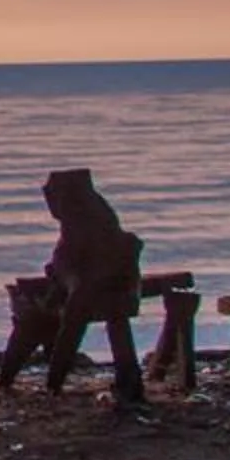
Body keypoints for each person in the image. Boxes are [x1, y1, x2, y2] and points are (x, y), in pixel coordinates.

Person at [38, 167, 147, 404]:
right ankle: (57, 380)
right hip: (97, 284)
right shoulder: (84, 217)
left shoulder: (89, 217)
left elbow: (80, 260)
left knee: (83, 316)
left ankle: (55, 381)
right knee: (88, 314)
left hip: (104, 286)